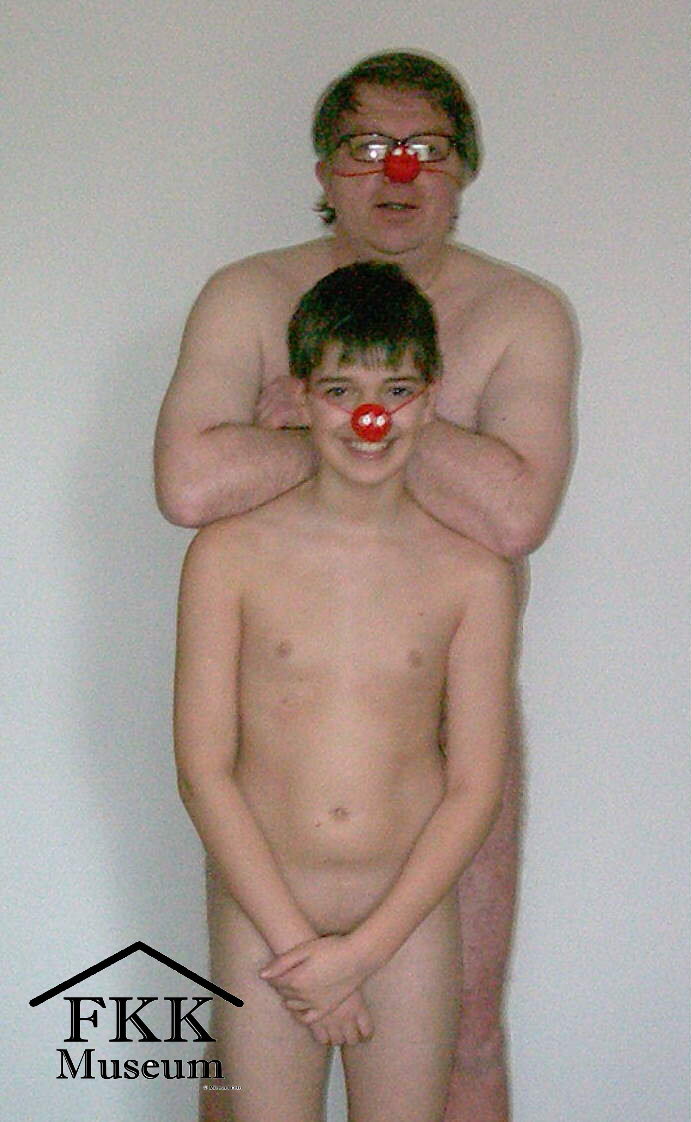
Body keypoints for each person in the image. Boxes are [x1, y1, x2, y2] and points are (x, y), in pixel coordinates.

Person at [156, 51, 576, 1121]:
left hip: (433, 741)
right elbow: (190, 483)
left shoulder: (520, 312)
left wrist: (324, 420)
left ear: (463, 168)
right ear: (324, 171)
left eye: (425, 147)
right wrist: (361, 429)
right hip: (276, 754)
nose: (398, 171)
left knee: (466, 1038)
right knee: (247, 1049)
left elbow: (513, 518)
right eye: (367, 147)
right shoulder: (251, 293)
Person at [174, 261, 518, 1122]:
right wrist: (303, 951)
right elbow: (203, 769)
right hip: (266, 914)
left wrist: (362, 952)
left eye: (396, 390)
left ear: (430, 402)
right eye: (340, 390)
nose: (371, 417)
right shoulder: (228, 555)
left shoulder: (472, 576)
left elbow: (475, 785)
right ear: (299, 398)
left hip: (404, 922)